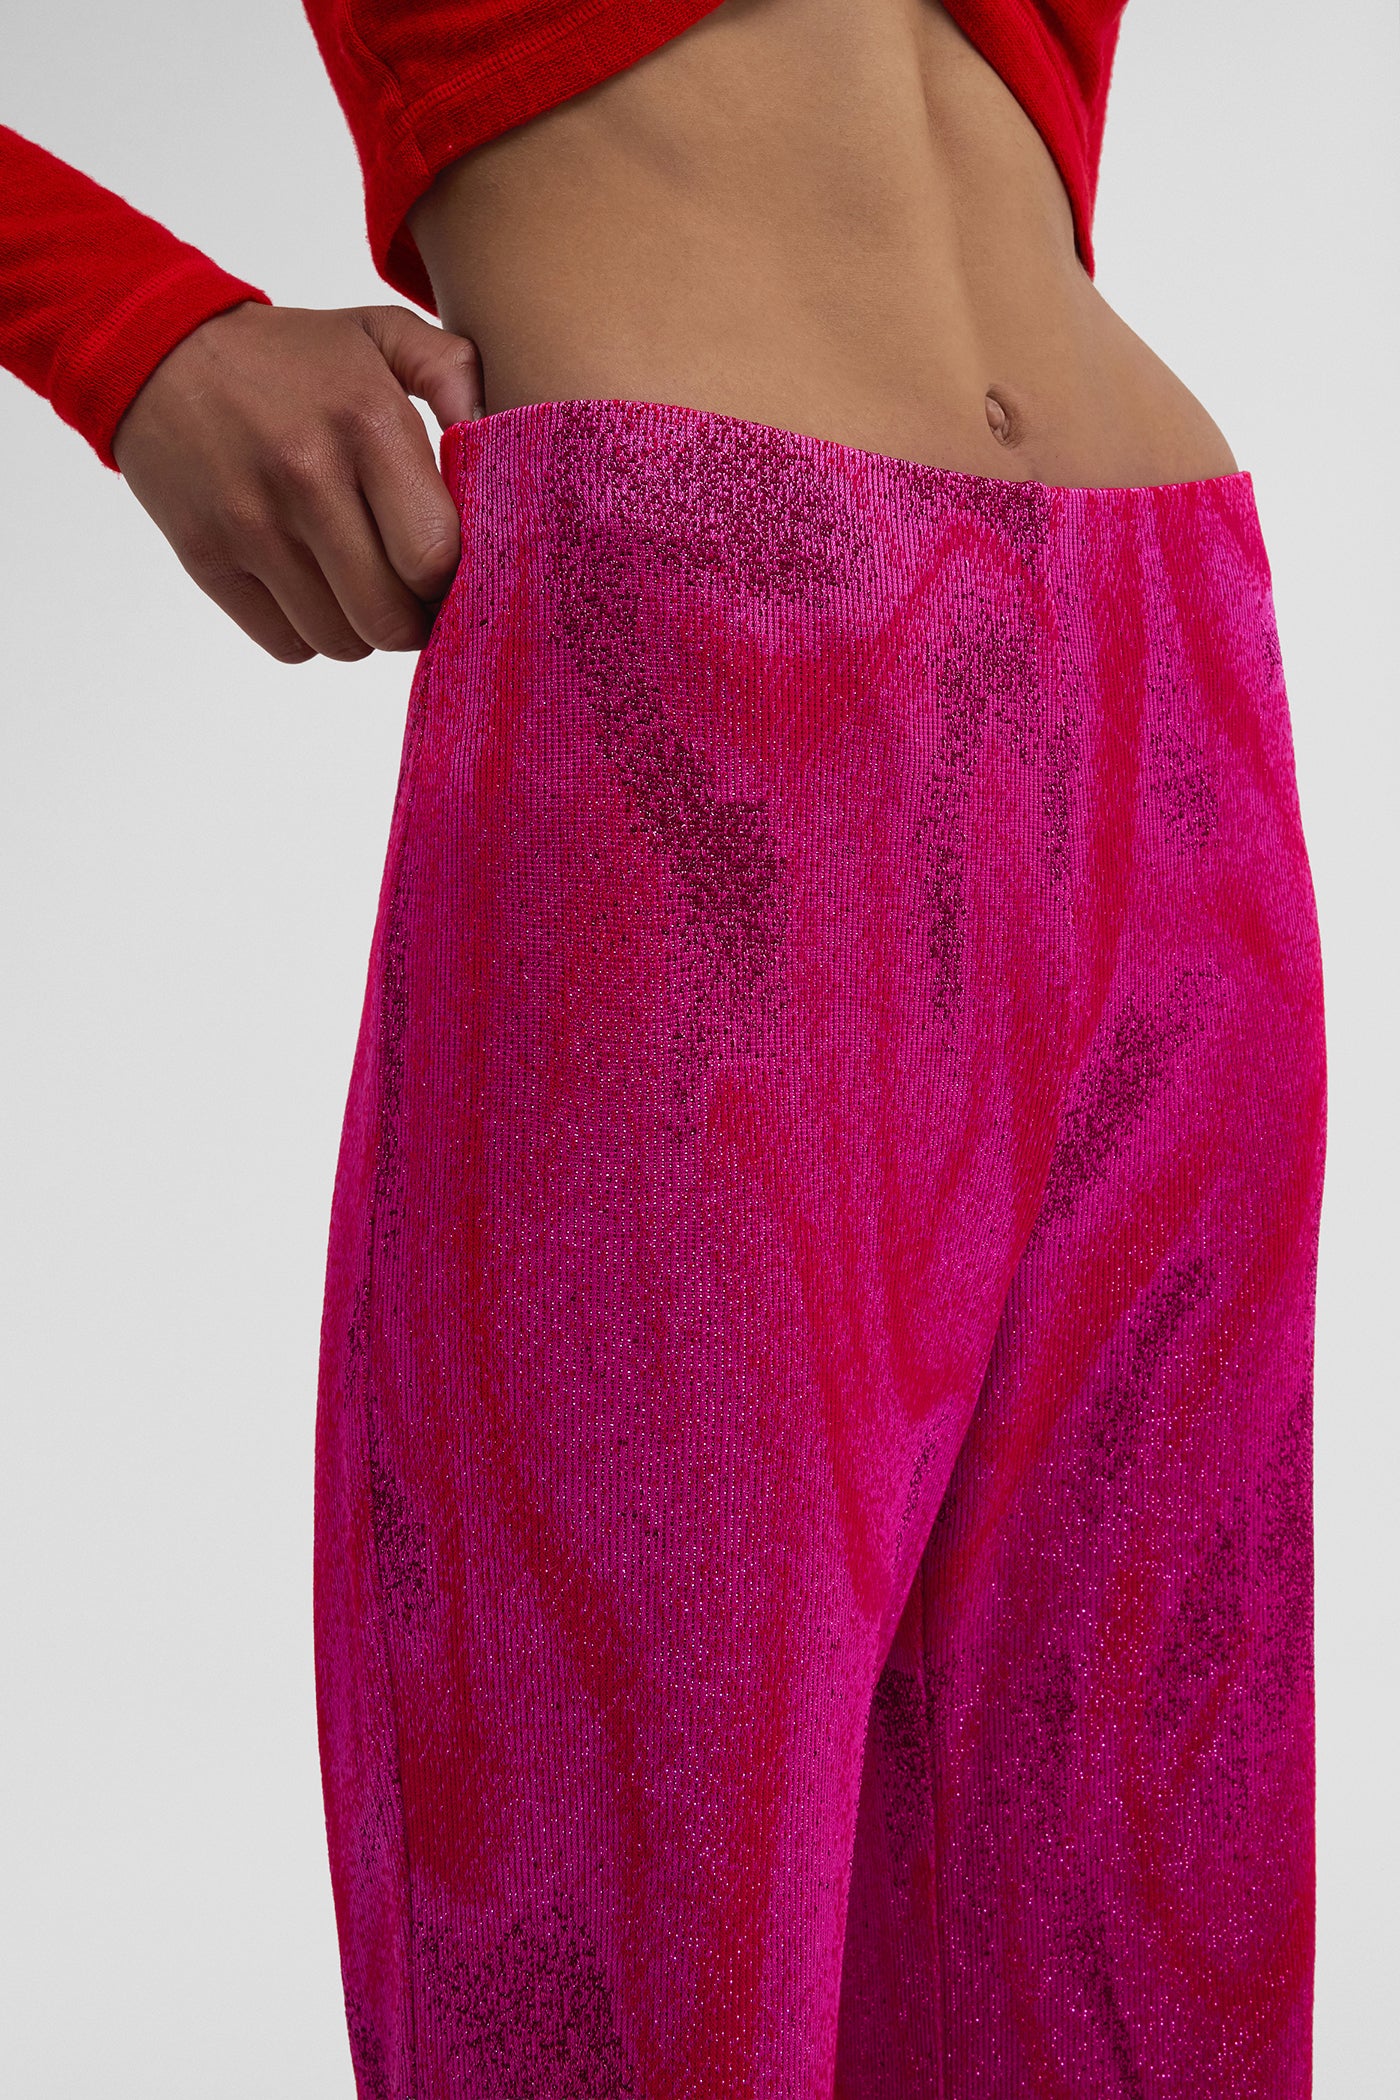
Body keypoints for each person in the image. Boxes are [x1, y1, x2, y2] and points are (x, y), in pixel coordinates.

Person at [0, 2, 1328, 2094]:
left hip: (1171, 693)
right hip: (705, 664)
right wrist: (130, 333)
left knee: (1150, 1994)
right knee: (623, 1986)